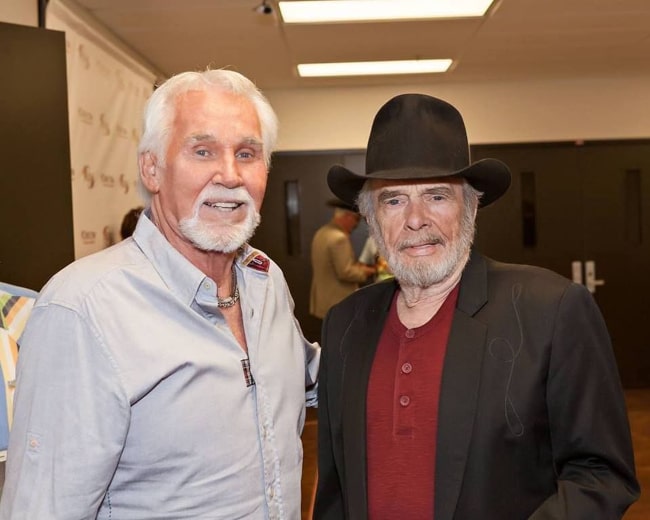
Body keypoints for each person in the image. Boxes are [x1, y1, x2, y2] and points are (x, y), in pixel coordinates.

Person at [0, 69, 320, 519]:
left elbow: (307, 380)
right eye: (202, 150)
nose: (229, 175)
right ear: (152, 168)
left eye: (246, 153)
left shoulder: (266, 281)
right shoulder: (84, 309)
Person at [314, 94, 639, 519]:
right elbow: (336, 487)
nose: (415, 220)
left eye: (437, 196)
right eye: (393, 200)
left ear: (470, 207)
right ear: (372, 219)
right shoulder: (346, 324)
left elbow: (601, 475)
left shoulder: (551, 310)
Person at [309, 198, 376, 320]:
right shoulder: (339, 238)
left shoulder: (322, 232)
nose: (356, 225)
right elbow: (346, 272)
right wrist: (369, 271)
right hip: (337, 300)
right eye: (356, 219)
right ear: (348, 217)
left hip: (322, 299)